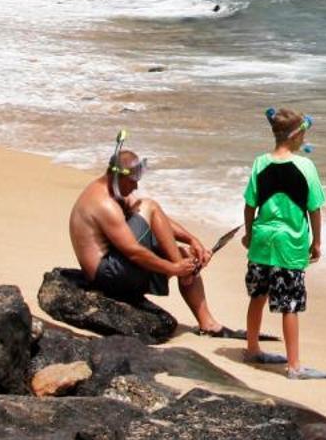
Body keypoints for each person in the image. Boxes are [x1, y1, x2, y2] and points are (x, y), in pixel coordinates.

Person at [67, 138, 241, 338]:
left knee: (183, 253)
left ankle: (208, 324)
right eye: (133, 182)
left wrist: (191, 240)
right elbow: (133, 251)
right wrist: (173, 268)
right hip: (106, 275)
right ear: (119, 177)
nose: (135, 187)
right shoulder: (103, 203)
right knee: (151, 208)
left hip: (116, 267)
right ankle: (184, 272)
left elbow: (157, 221)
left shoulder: (115, 189)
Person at [242, 108, 326, 379]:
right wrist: (317, 242)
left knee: (257, 296)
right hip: (290, 244)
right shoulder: (305, 166)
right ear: (297, 137)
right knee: (289, 305)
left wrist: (248, 234)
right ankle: (294, 366)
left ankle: (252, 348)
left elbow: (249, 205)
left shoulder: (260, 163)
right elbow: (314, 208)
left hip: (261, 240)